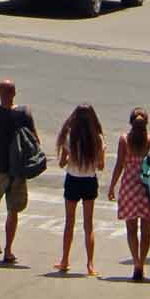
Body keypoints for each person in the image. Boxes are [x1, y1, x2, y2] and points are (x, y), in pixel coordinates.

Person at [0, 77, 36, 267]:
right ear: (15, 93)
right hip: (17, 169)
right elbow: (35, 140)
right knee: (13, 210)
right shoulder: (25, 114)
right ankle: (9, 250)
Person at [107, 107, 150, 282]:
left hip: (129, 187)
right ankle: (142, 263)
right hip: (148, 188)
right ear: (146, 123)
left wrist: (112, 186)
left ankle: (136, 262)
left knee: (131, 229)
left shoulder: (124, 140)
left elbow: (119, 165)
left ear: (131, 123)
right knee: (146, 231)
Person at [54, 104, 106, 276]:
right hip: (89, 181)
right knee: (88, 224)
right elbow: (101, 166)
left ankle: (65, 260)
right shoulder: (98, 138)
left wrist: (69, 157)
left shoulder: (70, 137)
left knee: (69, 222)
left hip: (73, 180)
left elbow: (62, 163)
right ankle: (90, 264)